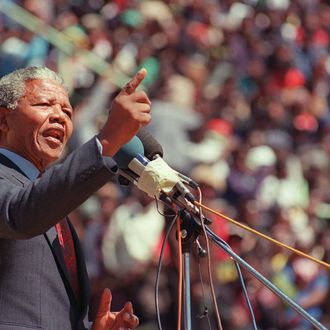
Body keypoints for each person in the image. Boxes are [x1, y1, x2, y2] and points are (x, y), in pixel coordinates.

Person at [0, 66, 151, 330]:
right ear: (3, 120)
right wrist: (106, 141)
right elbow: (19, 216)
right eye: (44, 104)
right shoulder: (27, 197)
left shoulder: (51, 202)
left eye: (68, 111)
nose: (59, 116)